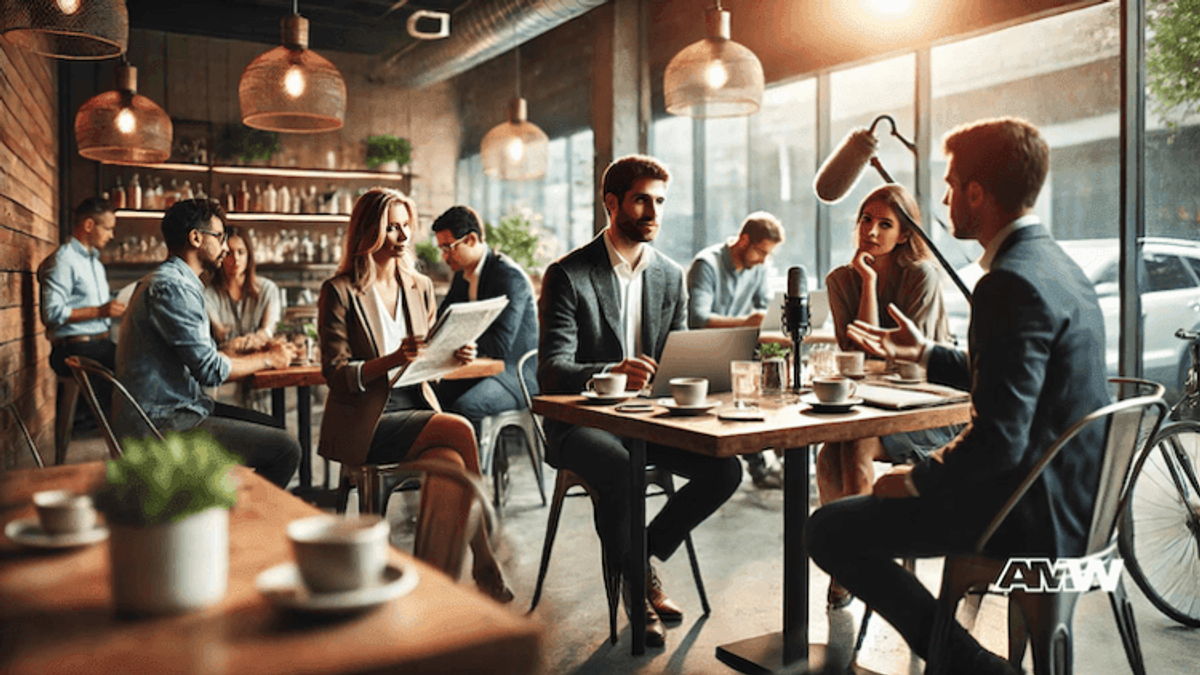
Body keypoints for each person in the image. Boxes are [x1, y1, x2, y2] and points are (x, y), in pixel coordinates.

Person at [806, 118, 1109, 675]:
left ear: (975, 192)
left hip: (1028, 513)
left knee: (827, 530)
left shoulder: (1007, 282)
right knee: (851, 508)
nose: (944, 200)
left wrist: (918, 477)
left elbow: (997, 440)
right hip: (1079, 503)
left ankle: (969, 665)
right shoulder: (1058, 265)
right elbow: (1020, 374)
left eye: (949, 185)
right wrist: (925, 354)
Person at [538, 155, 743, 647]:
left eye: (659, 201)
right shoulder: (569, 275)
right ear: (612, 203)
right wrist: (609, 372)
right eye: (641, 200)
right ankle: (637, 591)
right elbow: (551, 371)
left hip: (649, 420)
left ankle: (641, 557)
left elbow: (680, 357)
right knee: (619, 469)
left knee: (725, 468)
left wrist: (709, 373)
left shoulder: (671, 276)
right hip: (580, 424)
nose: (653, 211)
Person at [315, 187, 513, 603]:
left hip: (415, 409)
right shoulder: (339, 291)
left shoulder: (420, 285)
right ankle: (483, 558)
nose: (403, 236)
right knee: (459, 430)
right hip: (367, 422)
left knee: (451, 465)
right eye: (392, 227)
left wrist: (452, 356)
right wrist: (390, 359)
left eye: (406, 226)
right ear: (368, 230)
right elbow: (335, 374)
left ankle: (431, 591)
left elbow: (425, 366)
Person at [818, 184, 962, 608]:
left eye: (886, 224)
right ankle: (852, 560)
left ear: (904, 234)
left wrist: (875, 360)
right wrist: (866, 282)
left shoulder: (922, 274)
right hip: (877, 401)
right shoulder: (842, 279)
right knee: (829, 454)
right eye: (866, 220)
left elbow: (910, 365)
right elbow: (857, 358)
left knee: (855, 443)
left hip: (932, 407)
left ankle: (856, 566)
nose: (872, 232)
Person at [114, 199, 300, 489]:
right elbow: (210, 371)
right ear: (196, 238)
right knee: (287, 449)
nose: (225, 248)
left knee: (272, 427)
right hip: (162, 424)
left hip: (173, 409)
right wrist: (269, 359)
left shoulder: (171, 281)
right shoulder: (174, 287)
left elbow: (200, 357)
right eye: (220, 237)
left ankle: (222, 504)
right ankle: (236, 521)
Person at [430, 205, 539, 458]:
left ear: (471, 239)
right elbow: (443, 324)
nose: (445, 257)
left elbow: (500, 345)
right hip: (479, 372)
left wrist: (461, 340)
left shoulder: (509, 277)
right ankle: (442, 477)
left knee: (467, 406)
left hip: (516, 375)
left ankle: (473, 485)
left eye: (449, 247)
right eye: (441, 249)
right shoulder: (461, 276)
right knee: (427, 397)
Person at [686, 211, 785, 489]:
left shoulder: (759, 269)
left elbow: (763, 307)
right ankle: (759, 464)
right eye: (761, 251)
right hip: (702, 350)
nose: (765, 260)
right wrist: (746, 322)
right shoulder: (707, 264)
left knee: (779, 370)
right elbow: (697, 319)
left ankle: (779, 449)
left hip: (739, 350)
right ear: (743, 240)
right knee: (748, 383)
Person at [38, 197, 125, 426]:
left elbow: (98, 306)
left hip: (97, 345)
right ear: (89, 225)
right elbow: (51, 313)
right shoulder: (64, 260)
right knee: (136, 363)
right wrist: (99, 311)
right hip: (74, 349)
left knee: (141, 357)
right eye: (107, 228)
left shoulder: (94, 262)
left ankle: (117, 428)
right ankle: (119, 432)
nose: (111, 235)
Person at [203, 226, 282, 413]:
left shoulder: (268, 290)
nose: (235, 259)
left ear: (249, 255)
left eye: (241, 252)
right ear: (221, 256)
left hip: (262, 383)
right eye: (229, 253)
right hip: (224, 386)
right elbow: (220, 336)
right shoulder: (207, 293)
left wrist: (239, 344)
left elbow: (267, 332)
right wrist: (254, 343)